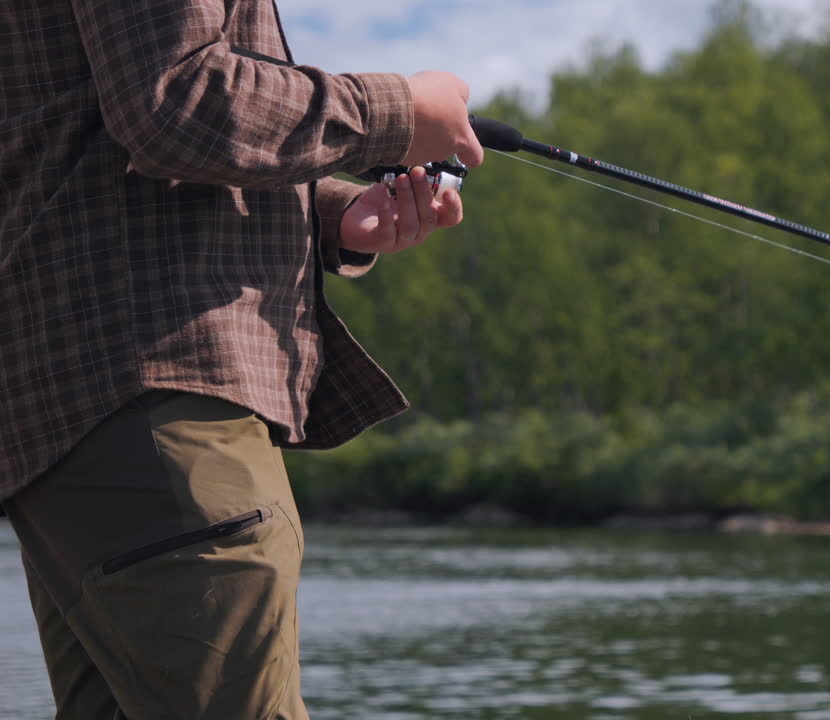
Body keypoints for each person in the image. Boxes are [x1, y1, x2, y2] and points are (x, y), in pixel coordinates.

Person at [0, 1, 483, 717]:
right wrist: (398, 110)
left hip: (85, 423)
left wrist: (328, 215)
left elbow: (80, 125)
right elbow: (173, 98)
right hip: (153, 411)